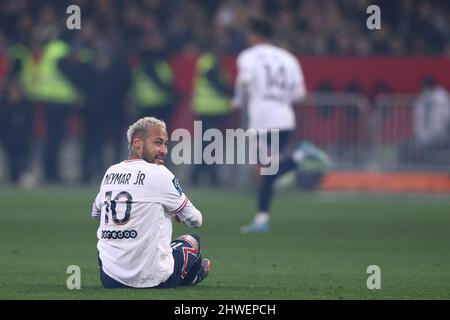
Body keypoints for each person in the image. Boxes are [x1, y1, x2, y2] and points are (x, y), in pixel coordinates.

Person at [231, 16, 330, 233]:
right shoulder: (289, 58)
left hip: (263, 119)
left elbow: (244, 81)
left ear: (254, 35)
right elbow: (300, 94)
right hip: (285, 119)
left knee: (264, 172)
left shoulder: (248, 56)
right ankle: (261, 219)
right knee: (266, 173)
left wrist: (238, 101)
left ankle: (301, 155)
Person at [91, 117, 211, 288]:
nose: (164, 150)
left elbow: (96, 213)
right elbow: (196, 220)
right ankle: (191, 276)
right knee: (192, 240)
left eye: (166, 144)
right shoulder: (160, 173)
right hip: (153, 280)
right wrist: (178, 207)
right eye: (157, 142)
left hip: (110, 279)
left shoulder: (111, 172)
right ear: (137, 144)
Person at [190, 44, 233, 186]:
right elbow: (214, 81)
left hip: (213, 109)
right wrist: (231, 93)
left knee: (209, 145)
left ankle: (201, 175)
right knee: (209, 145)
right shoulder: (208, 61)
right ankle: (204, 176)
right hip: (209, 109)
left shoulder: (213, 62)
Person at [400, 76, 450, 165]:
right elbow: (418, 117)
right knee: (407, 146)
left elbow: (444, 117)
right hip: (423, 135)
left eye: (424, 85)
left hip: (441, 134)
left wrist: (435, 132)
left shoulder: (442, 97)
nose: (422, 88)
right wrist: (421, 134)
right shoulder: (422, 97)